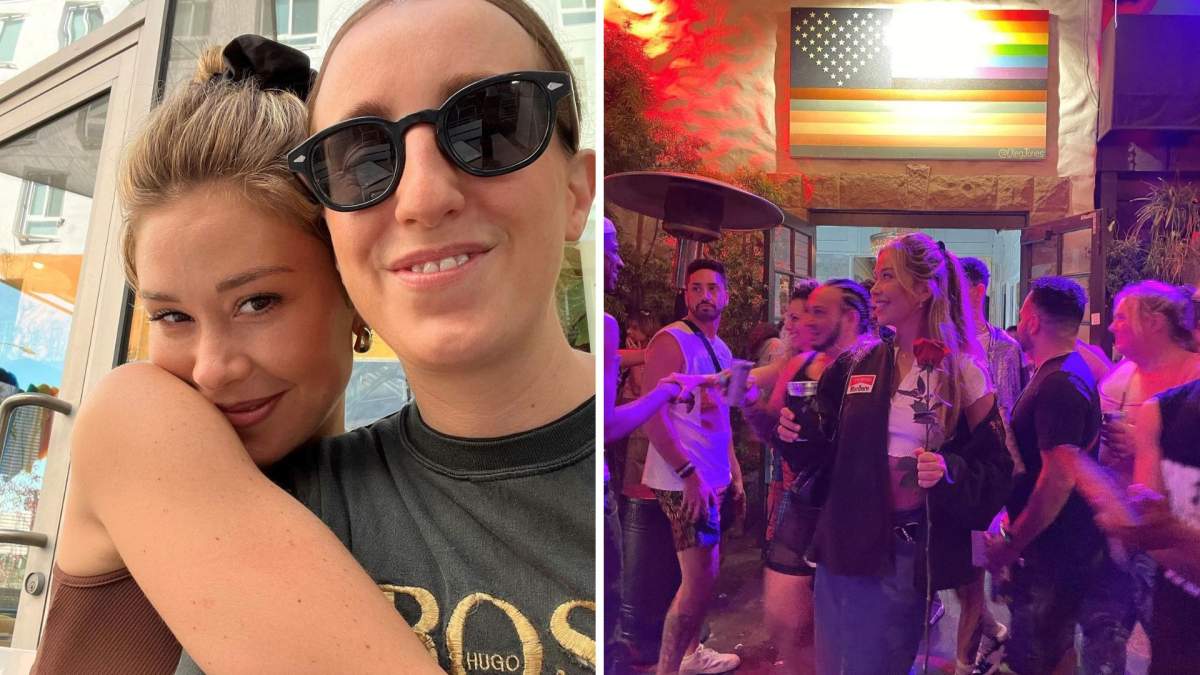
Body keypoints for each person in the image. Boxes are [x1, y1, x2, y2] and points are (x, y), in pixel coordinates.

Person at [36, 38, 441, 673]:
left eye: (256, 303)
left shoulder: (384, 483)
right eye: (172, 316)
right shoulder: (134, 416)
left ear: (353, 291)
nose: (211, 368)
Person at [272, 0, 598, 670]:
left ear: (576, 191)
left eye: (488, 126)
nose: (423, 197)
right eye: (361, 161)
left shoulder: (655, 455)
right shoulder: (287, 511)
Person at [778, 233, 1011, 674]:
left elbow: (999, 468)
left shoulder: (961, 370)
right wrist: (795, 433)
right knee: (833, 665)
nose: (874, 288)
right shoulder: (857, 363)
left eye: (887, 276)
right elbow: (822, 450)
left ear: (924, 290)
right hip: (842, 543)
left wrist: (947, 470)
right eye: (875, 276)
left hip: (901, 551)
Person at [983, 276, 1132, 675]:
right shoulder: (1065, 370)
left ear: (1032, 320)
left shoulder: (1059, 384)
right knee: (1054, 654)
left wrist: (1012, 542)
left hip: (1054, 549)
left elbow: (1057, 479)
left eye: (1021, 313)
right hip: (1059, 546)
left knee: (1031, 659)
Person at [602, 217, 712, 673]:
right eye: (611, 248)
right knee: (622, 593)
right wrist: (664, 391)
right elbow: (610, 425)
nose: (618, 260)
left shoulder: (713, 346)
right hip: (636, 477)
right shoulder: (610, 324)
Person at [641, 258, 747, 675]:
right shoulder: (671, 340)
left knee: (705, 575)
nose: (705, 295)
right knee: (697, 581)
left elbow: (723, 417)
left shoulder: (722, 350)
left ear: (725, 296)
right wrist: (688, 475)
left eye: (713, 288)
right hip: (682, 477)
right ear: (685, 294)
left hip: (712, 476)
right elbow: (651, 415)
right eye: (696, 288)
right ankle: (670, 668)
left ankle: (692, 656)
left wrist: (734, 470)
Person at [762, 278, 871, 675]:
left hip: (856, 506)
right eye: (805, 311)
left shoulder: (874, 364)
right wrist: (781, 427)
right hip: (807, 494)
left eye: (818, 312)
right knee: (782, 618)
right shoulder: (801, 364)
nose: (805, 320)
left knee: (850, 632)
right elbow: (772, 418)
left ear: (851, 318)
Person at [953, 257, 1024, 675]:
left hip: (990, 474)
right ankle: (992, 628)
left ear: (977, 291)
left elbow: (1009, 412)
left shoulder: (1006, 348)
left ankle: (974, 654)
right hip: (955, 468)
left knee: (975, 564)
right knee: (965, 566)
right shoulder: (946, 344)